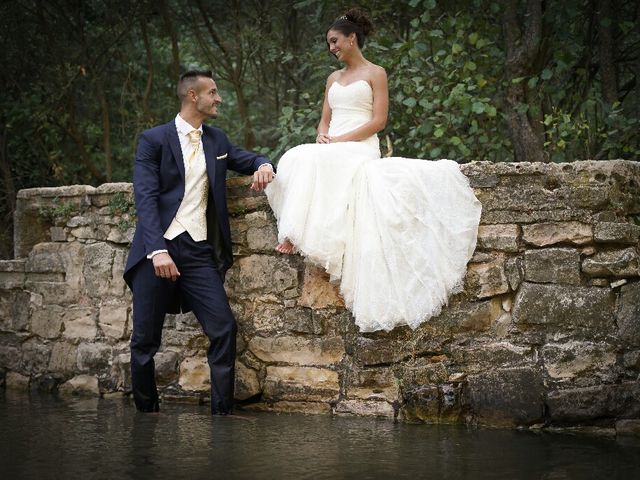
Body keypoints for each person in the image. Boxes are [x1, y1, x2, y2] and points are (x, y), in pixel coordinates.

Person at [266, 9, 482, 333]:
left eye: (335, 41)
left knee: (318, 161)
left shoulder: (375, 73)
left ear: (352, 38)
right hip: (334, 144)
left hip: (359, 145)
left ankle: (293, 234)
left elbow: (378, 121)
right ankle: (295, 232)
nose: (331, 48)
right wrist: (322, 134)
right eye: (329, 43)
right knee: (297, 156)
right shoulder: (332, 80)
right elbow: (324, 117)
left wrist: (339, 140)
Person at [123, 70, 274, 414]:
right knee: (145, 341)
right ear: (193, 96)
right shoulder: (154, 139)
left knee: (223, 328)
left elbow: (247, 158)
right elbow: (145, 197)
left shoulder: (217, 140)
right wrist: (157, 249)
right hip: (156, 250)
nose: (218, 98)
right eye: (213, 92)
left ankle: (222, 415)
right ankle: (146, 418)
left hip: (198, 251)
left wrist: (264, 164)